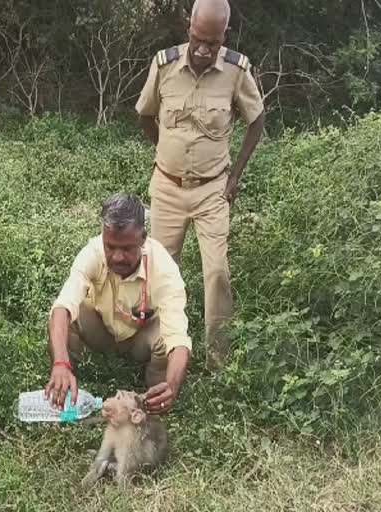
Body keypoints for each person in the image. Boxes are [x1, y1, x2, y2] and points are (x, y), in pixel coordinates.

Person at [135, 0, 265, 372]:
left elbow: (257, 121)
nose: (204, 49)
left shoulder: (237, 71)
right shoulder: (164, 65)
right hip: (168, 189)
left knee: (217, 272)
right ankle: (159, 355)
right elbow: (145, 114)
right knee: (160, 270)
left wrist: (235, 175)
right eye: (198, 39)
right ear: (188, 27)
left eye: (212, 41)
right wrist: (165, 151)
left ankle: (218, 363)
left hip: (212, 191)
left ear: (224, 34)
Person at [45, 193, 193, 416]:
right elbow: (62, 307)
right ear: (103, 237)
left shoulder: (163, 267)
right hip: (102, 332)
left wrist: (172, 385)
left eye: (126, 249)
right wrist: (60, 363)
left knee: (165, 336)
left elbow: (179, 340)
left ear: (143, 239)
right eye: (111, 247)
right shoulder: (92, 253)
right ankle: (68, 381)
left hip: (140, 342)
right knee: (65, 315)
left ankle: (154, 398)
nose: (117, 257)